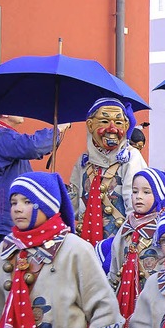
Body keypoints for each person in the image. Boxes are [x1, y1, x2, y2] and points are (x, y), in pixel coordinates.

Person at [0, 172, 124, 328]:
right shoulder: (8, 247)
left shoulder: (74, 248)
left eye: (27, 202)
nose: (18, 209)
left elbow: (105, 309)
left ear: (47, 206)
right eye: (13, 203)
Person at [0, 114, 70, 283]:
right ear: (5, 113)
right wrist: (58, 129)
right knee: (0, 281)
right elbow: (33, 145)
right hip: (2, 222)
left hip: (0, 220)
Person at [69, 97, 147, 246]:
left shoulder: (130, 157)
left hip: (118, 244)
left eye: (118, 123)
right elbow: (72, 203)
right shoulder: (83, 161)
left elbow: (135, 203)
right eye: (104, 121)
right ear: (90, 125)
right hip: (86, 243)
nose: (112, 129)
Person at [109, 167, 165, 324]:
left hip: (155, 301)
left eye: (147, 192)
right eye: (135, 191)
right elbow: (115, 264)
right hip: (123, 296)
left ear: (160, 196)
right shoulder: (126, 227)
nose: (139, 197)